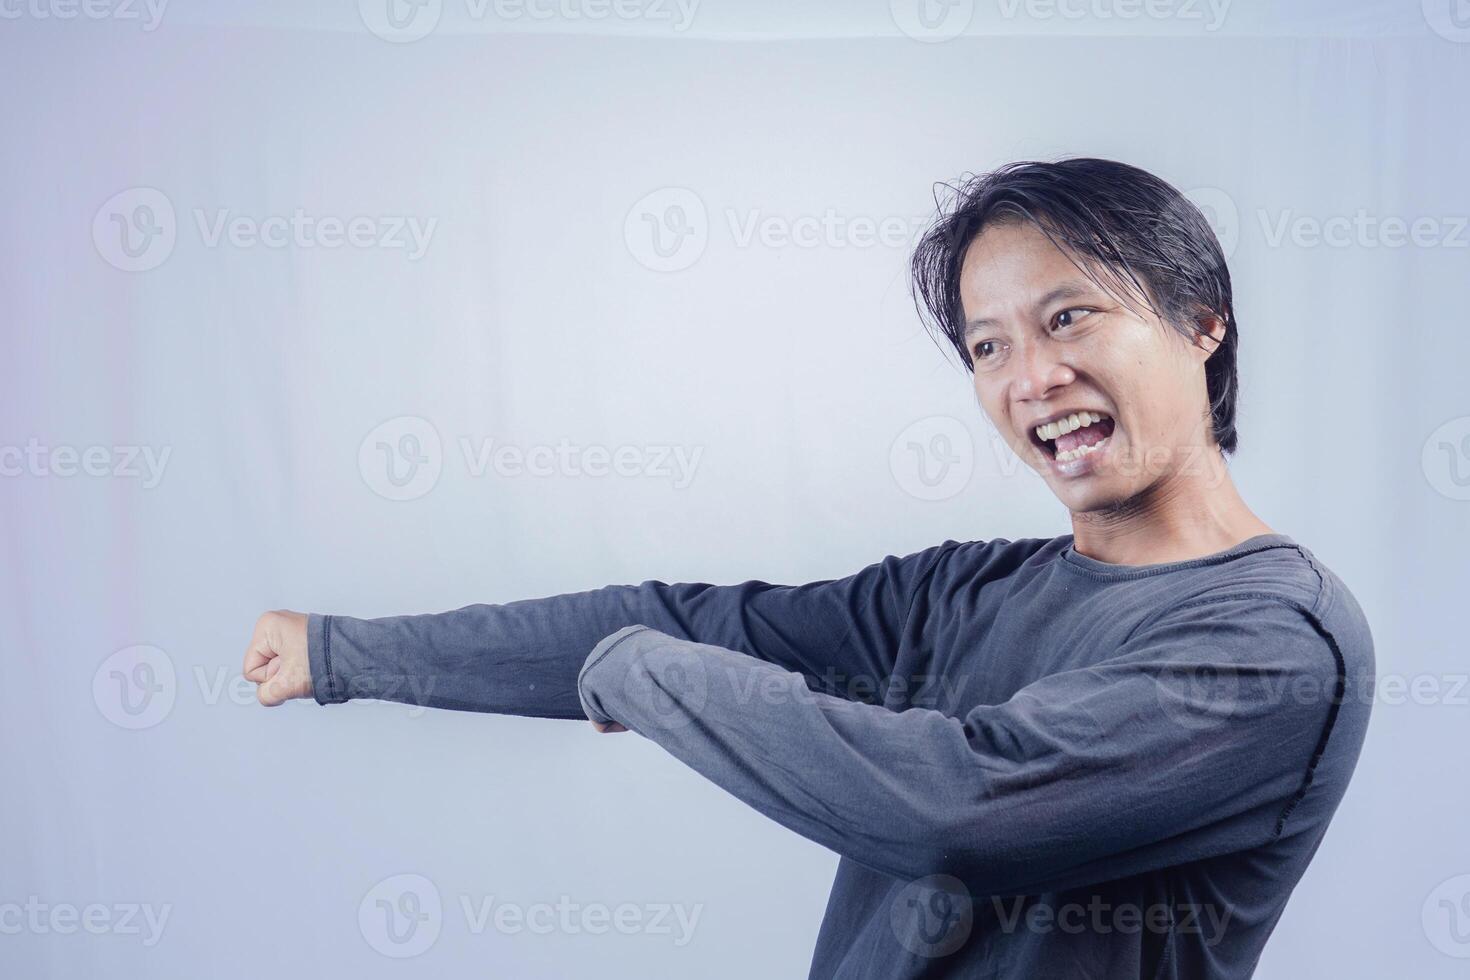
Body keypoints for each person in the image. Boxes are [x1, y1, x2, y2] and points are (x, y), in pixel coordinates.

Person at [242, 158, 1373, 978]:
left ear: (1200, 319)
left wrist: (645, 673)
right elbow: (678, 616)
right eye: (988, 346)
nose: (1030, 377)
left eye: (1067, 316)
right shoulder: (966, 593)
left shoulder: (1275, 642)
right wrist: (341, 652)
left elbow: (952, 805)